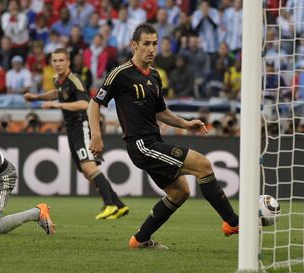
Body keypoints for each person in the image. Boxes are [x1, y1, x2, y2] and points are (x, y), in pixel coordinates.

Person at [87, 23, 239, 249]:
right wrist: (96, 135)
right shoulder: (119, 74)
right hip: (140, 145)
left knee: (180, 192)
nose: (151, 49)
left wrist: (186, 124)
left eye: (154, 44)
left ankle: (139, 239)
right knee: (203, 165)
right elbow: (94, 104)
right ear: (134, 45)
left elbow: (161, 112)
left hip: (154, 142)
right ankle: (234, 223)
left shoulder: (155, 76)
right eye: (146, 44)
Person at [24, 48, 129, 220]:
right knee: (87, 171)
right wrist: (36, 97)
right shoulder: (58, 80)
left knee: (89, 167)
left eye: (61, 60)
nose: (57, 64)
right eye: (55, 60)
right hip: (72, 129)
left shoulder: (75, 80)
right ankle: (119, 205)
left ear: (68, 62)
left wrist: (57, 105)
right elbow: (56, 93)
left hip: (82, 126)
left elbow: (84, 104)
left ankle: (109, 205)